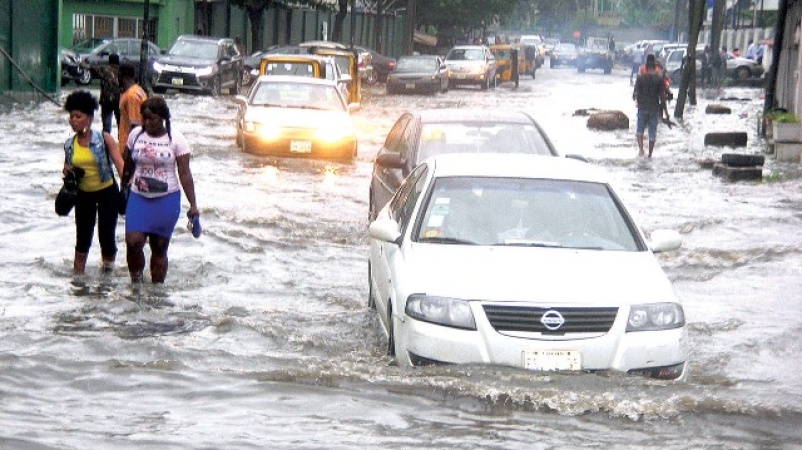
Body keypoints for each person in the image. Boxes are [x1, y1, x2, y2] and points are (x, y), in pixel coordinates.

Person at [124, 96, 199, 283]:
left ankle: (156, 293)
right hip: (138, 197)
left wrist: (193, 205)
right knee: (133, 243)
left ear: (163, 118)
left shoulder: (177, 140)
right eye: (144, 118)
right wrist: (123, 189)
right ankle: (136, 284)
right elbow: (128, 165)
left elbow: (185, 174)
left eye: (152, 119)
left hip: (167, 199)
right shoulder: (135, 136)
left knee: (159, 247)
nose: (148, 123)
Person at [61, 90, 124, 273]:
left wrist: (127, 189)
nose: (73, 120)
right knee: (82, 240)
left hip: (107, 193)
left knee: (107, 238)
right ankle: (78, 280)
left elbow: (120, 166)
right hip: (83, 195)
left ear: (89, 118)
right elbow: (66, 166)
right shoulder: (69, 144)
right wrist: (67, 172)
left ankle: (107, 278)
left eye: (78, 116)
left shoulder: (104, 139)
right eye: (71, 116)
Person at [632, 54, 670, 158]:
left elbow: (635, 94)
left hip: (642, 107)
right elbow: (662, 96)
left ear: (646, 66)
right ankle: (650, 154)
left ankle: (641, 150)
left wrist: (637, 98)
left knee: (639, 130)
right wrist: (666, 112)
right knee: (652, 133)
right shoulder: (659, 79)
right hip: (654, 108)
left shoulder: (640, 78)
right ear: (654, 66)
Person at [118, 63, 147, 153]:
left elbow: (135, 125)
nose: (117, 79)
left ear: (123, 76)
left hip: (129, 146)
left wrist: (130, 148)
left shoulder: (131, 96)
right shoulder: (139, 90)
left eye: (118, 75)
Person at [95, 53, 121, 134]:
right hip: (119, 100)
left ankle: (107, 143)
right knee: (121, 124)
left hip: (106, 100)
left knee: (106, 126)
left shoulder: (104, 69)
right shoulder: (121, 70)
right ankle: (121, 143)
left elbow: (92, 68)